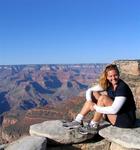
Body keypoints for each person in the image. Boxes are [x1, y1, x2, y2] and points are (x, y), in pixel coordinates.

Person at [63, 64, 136, 134]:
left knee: (103, 98)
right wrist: (90, 102)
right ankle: (78, 120)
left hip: (125, 120)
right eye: (110, 76)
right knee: (94, 93)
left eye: (115, 75)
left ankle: (93, 125)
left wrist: (95, 107)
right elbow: (90, 90)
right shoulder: (109, 84)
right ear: (107, 77)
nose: (113, 78)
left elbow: (114, 110)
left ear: (119, 74)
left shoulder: (122, 87)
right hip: (115, 115)